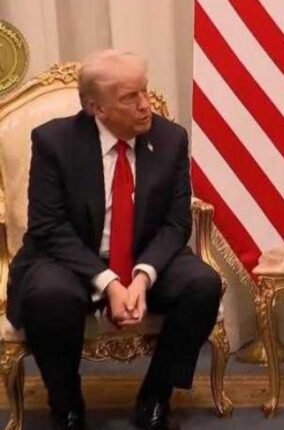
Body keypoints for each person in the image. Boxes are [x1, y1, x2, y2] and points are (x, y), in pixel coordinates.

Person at [6, 49, 222, 430]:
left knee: (203, 285)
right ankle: (67, 405)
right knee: (49, 296)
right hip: (70, 259)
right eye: (130, 97)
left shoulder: (170, 139)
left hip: (142, 254)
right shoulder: (55, 142)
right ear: (97, 109)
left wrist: (141, 277)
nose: (146, 105)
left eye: (145, 90)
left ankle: (156, 395)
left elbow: (176, 223)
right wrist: (108, 282)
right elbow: (49, 226)